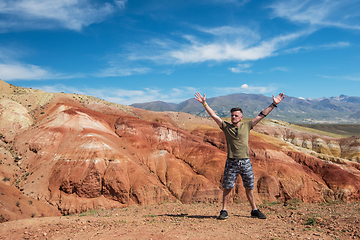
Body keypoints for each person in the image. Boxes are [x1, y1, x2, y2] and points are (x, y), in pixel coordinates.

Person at [194, 92, 285, 220]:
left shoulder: (247, 125)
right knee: (227, 186)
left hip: (245, 161)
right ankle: (224, 210)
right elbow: (213, 115)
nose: (233, 117)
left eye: (236, 115)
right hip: (231, 161)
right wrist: (204, 103)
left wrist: (274, 104)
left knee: (249, 187)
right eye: (232, 115)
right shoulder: (226, 127)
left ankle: (254, 209)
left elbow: (262, 115)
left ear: (242, 117)